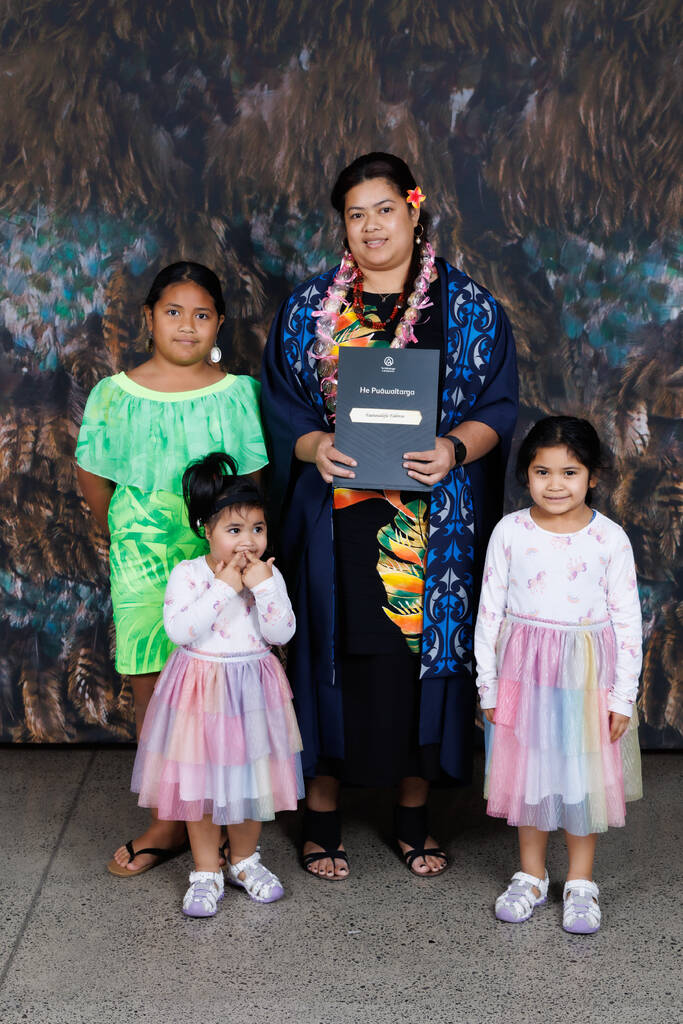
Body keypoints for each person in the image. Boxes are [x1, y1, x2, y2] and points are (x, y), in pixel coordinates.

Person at [261, 152, 518, 879]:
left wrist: (454, 447)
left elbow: (498, 404)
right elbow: (279, 404)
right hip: (334, 516)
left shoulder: (467, 310)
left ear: (412, 207)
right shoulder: (309, 309)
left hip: (432, 524)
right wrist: (314, 444)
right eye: (354, 213)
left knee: (417, 666)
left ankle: (413, 813)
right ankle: (319, 813)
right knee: (329, 657)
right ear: (341, 224)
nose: (370, 225)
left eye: (383, 208)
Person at [76, 261, 268, 876]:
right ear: (148, 318)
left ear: (219, 324)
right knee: (154, 686)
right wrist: (129, 534)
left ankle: (225, 809)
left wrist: (239, 553)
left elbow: (254, 482)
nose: (188, 326)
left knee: (223, 682)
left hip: (220, 558)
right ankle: (169, 818)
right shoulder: (114, 393)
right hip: (141, 556)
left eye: (203, 315)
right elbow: (94, 474)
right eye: (173, 312)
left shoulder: (238, 392)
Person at [474, 416, 643, 933]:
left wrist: (622, 697)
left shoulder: (609, 539)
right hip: (524, 674)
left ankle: (581, 884)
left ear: (592, 477)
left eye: (569, 472)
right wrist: (488, 682)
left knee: (578, 779)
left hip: (586, 678)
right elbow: (490, 612)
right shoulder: (510, 531)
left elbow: (628, 620)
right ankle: (530, 875)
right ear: (526, 475)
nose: (554, 484)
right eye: (541, 471)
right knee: (530, 776)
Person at [131, 453, 303, 916]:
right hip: (200, 693)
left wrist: (264, 587)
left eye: (258, 529)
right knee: (201, 786)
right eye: (234, 531)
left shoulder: (268, 575)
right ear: (205, 530)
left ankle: (244, 860)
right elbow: (181, 630)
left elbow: (282, 633)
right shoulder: (189, 575)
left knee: (250, 782)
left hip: (252, 691)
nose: (248, 542)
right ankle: (206, 870)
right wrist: (225, 587)